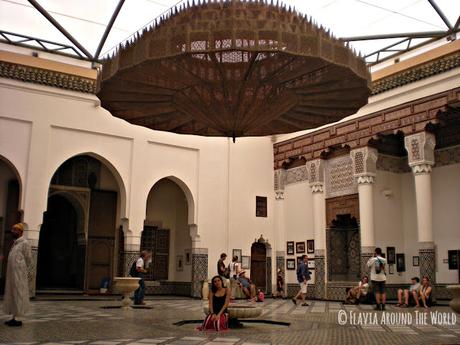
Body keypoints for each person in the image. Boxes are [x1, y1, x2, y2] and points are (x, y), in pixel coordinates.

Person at [3, 223, 33, 327]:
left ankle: (17, 317)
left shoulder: (24, 243)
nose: (13, 231)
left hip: (19, 274)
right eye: (12, 229)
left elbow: (28, 258)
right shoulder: (15, 243)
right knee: (12, 292)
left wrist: (23, 271)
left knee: (18, 293)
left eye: (15, 230)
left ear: (20, 231)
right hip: (12, 274)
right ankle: (13, 316)